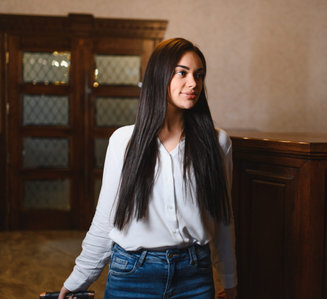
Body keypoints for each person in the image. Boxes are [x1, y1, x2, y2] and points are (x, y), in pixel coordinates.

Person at [58, 38, 237, 299]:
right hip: (132, 275)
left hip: (195, 276)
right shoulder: (124, 141)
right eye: (182, 73)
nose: (193, 83)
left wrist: (230, 281)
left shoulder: (218, 143)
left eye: (199, 75)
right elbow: (106, 219)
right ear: (159, 76)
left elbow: (223, 220)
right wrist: (79, 278)